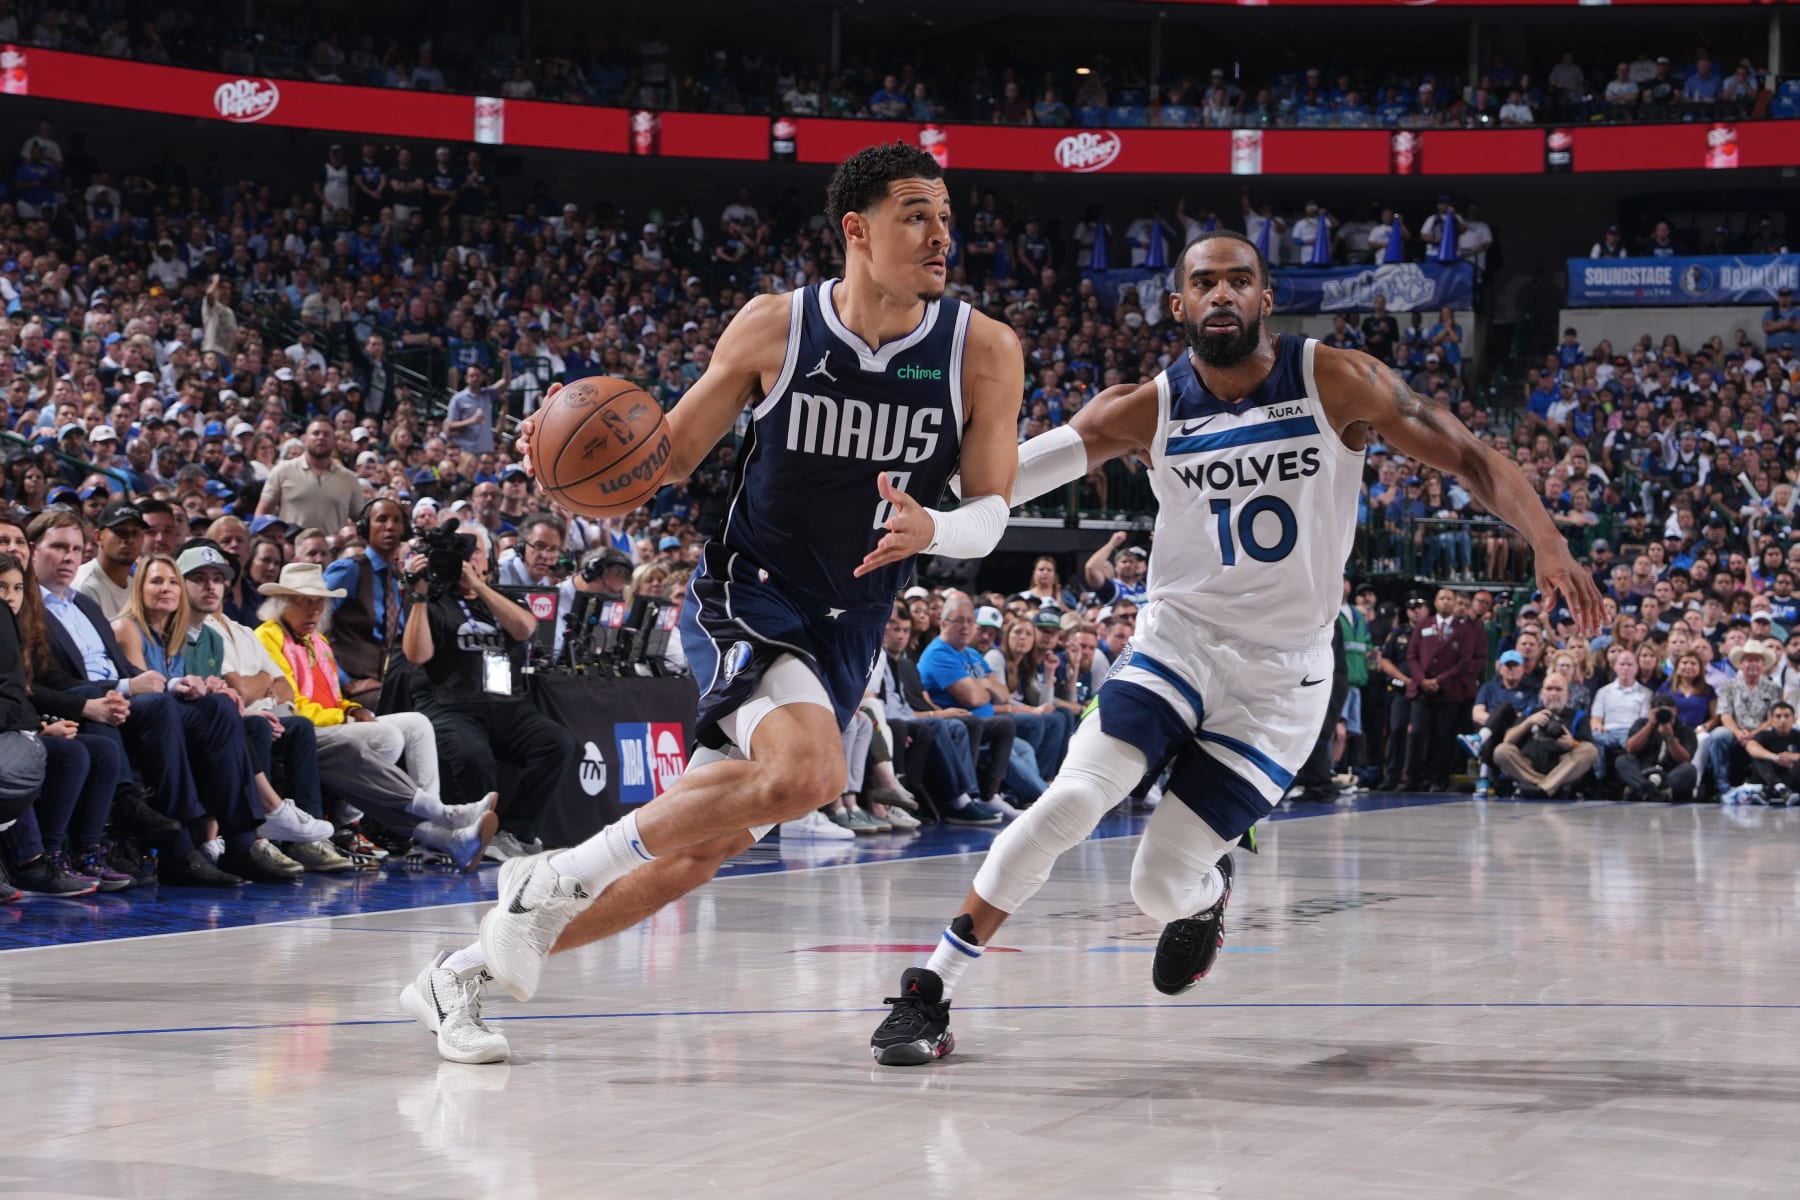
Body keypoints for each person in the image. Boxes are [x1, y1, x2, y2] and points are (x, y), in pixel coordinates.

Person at [867, 229, 1601, 1065]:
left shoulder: (1337, 379)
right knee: (1069, 804)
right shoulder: (1145, 405)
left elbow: (1469, 454)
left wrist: (1546, 539)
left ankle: (1205, 893)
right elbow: (1007, 476)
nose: (1222, 294)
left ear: (1266, 296)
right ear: (1178, 305)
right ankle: (932, 990)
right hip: (1176, 643)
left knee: (1156, 885)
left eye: (1239, 280)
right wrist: (927, 507)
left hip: (1282, 676)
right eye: (1205, 282)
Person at [400, 144, 1022, 1065]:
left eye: (944, 214)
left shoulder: (983, 349)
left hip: (849, 626)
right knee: (812, 775)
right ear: (857, 229)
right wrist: (562, 449)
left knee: (695, 856)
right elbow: (665, 458)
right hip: (751, 593)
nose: (942, 234)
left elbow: (991, 513)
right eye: (916, 214)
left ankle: (461, 977)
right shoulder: (777, 327)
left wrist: (936, 530)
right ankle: (552, 877)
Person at [401, 521, 576, 863]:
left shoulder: (505, 597)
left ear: (488, 559)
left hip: (505, 704)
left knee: (558, 743)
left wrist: (478, 588)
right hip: (448, 704)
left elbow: (525, 629)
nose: (466, 559)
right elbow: (416, 656)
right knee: (472, 756)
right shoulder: (431, 602)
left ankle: (516, 832)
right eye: (461, 553)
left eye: (474, 551)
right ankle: (479, 835)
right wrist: (419, 594)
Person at [1491, 675, 1599, 798]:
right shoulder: (1530, 712)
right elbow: (1508, 740)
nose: (1553, 693)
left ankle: (1541, 788)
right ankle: (1547, 785)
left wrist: (1572, 743)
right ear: (1542, 693)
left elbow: (1588, 749)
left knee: (1590, 750)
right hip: (1529, 766)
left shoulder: (1578, 716)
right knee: (1501, 751)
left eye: (1558, 689)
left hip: (1562, 766)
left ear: (1567, 694)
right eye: (1549, 689)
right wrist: (1528, 722)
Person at [1703, 637, 1784, 795]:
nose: (1753, 664)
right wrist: (1738, 733)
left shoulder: (1773, 688)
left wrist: (1755, 733)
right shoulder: (1729, 685)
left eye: (1757, 660)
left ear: (1763, 665)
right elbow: (1725, 714)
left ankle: (1771, 784)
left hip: (1762, 732)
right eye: (1749, 660)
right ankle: (1722, 782)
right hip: (1735, 731)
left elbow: (1774, 718)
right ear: (1741, 663)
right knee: (1718, 735)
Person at [256, 419, 364, 533]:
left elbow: (359, 519)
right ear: (306, 439)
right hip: (292, 547)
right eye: (316, 433)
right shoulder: (282, 470)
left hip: (331, 549)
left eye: (326, 434)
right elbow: (262, 513)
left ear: (334, 441)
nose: (321, 437)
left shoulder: (349, 479)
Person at [72, 499, 147, 621]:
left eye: (135, 533)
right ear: (98, 537)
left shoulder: (135, 586)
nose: (129, 539)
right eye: (120, 532)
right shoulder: (84, 586)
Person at [1616, 694, 1699, 803]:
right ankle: (1652, 791)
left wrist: (1670, 737)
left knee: (1689, 769)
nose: (1663, 715)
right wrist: (1650, 725)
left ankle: (1644, 791)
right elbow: (1630, 748)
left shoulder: (1685, 730)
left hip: (1669, 774)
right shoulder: (1641, 723)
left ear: (1675, 711)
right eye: (1659, 712)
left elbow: (1684, 759)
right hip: (1643, 771)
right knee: (1622, 760)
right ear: (1651, 711)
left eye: (1668, 711)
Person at [1746, 702, 1800, 803]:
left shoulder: (1798, 735)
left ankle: (1771, 790)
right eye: (1778, 716)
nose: (1782, 720)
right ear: (1771, 720)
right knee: (1759, 756)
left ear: (1794, 719)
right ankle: (1781, 789)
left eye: (1787, 716)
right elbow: (1750, 747)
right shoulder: (1764, 735)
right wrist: (1775, 757)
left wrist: (1794, 756)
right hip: (1768, 775)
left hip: (1792, 777)